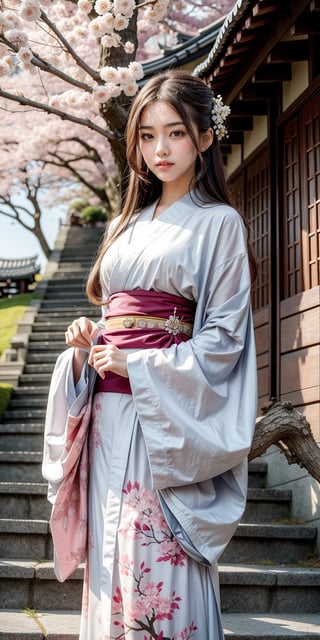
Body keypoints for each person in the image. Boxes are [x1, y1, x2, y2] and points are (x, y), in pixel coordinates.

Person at [43, 69, 258, 640]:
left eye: (176, 134)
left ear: (206, 139)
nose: (159, 150)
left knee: (152, 558)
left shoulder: (220, 225)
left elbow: (224, 339)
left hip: (165, 420)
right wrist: (89, 340)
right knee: (110, 553)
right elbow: (117, 310)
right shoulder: (124, 224)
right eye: (146, 136)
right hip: (107, 418)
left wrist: (140, 364)